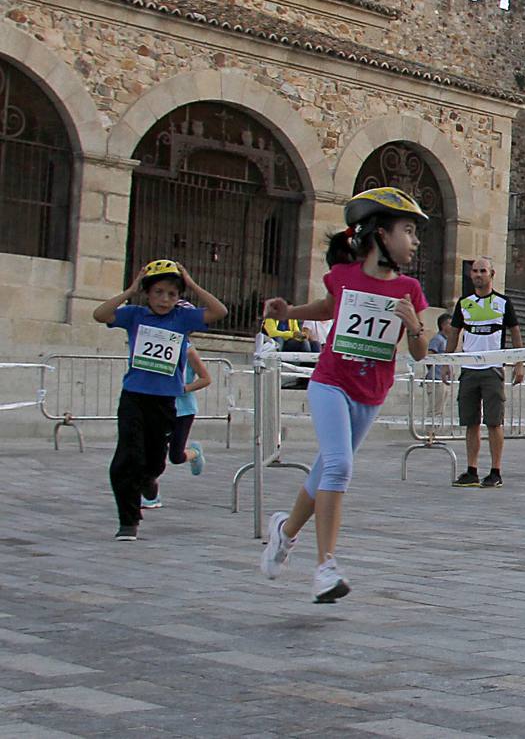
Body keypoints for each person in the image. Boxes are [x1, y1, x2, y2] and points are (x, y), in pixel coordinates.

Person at [258, 187, 432, 602]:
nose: (415, 240)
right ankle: (325, 567)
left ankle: (285, 532)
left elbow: (421, 353)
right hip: (330, 381)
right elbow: (327, 307)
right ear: (380, 235)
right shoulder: (344, 277)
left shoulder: (409, 288)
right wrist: (289, 313)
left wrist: (414, 327)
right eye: (407, 230)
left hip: (370, 393)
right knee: (338, 466)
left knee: (324, 471)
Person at [95, 260, 226, 539]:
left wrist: (191, 284)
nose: (165, 299)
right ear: (148, 293)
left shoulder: (181, 319)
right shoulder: (134, 315)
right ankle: (128, 521)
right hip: (134, 398)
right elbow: (100, 314)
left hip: (166, 401)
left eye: (172, 294)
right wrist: (130, 290)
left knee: (155, 461)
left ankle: (148, 480)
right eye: (158, 292)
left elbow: (219, 311)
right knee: (127, 458)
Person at [446, 259, 523, 490]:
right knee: (470, 422)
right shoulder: (464, 303)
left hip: (492, 369)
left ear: (492, 274)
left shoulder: (503, 303)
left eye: (483, 271)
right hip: (469, 369)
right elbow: (454, 333)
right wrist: (445, 361)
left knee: (493, 422)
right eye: (475, 271)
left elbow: (515, 332)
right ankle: (471, 470)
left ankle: (495, 470)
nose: (478, 275)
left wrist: (519, 363)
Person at [142, 344, 212, 509]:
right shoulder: (155, 346)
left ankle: (194, 453)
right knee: (153, 452)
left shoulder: (188, 351)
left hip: (183, 410)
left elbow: (206, 379)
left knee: (176, 456)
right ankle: (151, 494)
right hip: (159, 408)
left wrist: (183, 388)